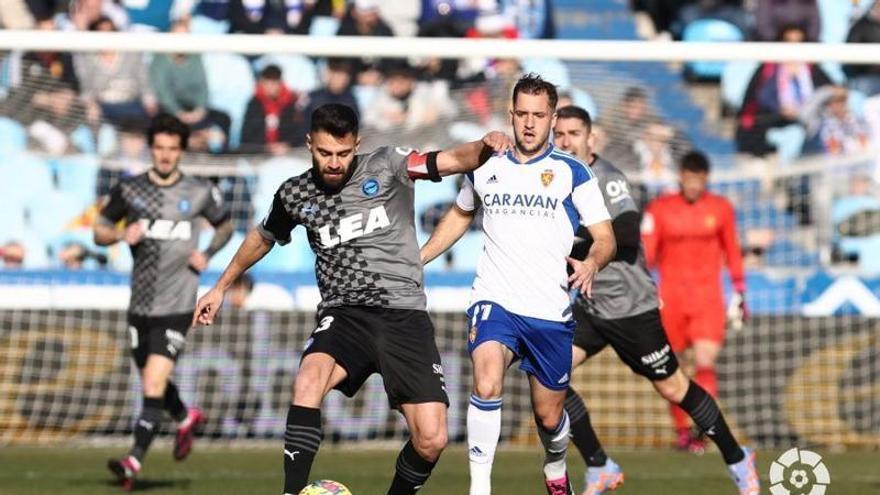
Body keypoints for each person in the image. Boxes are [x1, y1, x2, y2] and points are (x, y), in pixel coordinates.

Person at [193, 103, 512, 495]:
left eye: (343, 154)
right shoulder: (294, 194)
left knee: (432, 439)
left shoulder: (388, 165)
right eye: (325, 153)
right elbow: (262, 237)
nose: (334, 162)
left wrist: (484, 145)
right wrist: (221, 286)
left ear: (356, 145)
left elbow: (448, 161)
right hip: (345, 314)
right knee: (308, 380)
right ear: (310, 144)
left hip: (403, 315)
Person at [420, 75, 617, 495]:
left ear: (552, 118)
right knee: (486, 381)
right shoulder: (486, 162)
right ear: (510, 114)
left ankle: (555, 463)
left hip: (549, 310)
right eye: (522, 114)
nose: (529, 123)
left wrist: (592, 263)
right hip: (495, 298)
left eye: (539, 115)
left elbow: (606, 237)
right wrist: (419, 258)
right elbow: (460, 214)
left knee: (549, 418)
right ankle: (479, 488)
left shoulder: (573, 173)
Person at [553, 106, 760, 495]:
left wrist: (576, 241)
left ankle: (736, 456)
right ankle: (599, 465)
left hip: (630, 307)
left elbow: (629, 233)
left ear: (590, 138)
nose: (566, 142)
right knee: (547, 377)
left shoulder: (608, 179)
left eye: (574, 134)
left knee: (674, 388)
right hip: (588, 306)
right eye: (559, 134)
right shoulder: (551, 178)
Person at [94, 114, 235, 490]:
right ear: (151, 148)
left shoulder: (198, 190)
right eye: (160, 148)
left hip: (177, 303)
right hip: (140, 304)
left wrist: (208, 252)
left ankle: (132, 461)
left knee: (153, 382)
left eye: (173, 149)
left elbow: (226, 224)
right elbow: (99, 231)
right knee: (151, 380)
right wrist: (123, 232)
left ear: (181, 151)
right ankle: (185, 416)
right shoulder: (131, 190)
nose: (166, 155)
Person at [642, 150, 748, 454]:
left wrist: (740, 290)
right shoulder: (660, 209)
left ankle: (704, 427)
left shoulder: (721, 208)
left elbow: (732, 250)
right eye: (687, 180)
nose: (692, 186)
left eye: (697, 181)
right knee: (671, 369)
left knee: (705, 361)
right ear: (681, 177)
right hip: (670, 299)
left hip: (707, 299)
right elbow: (648, 254)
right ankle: (682, 432)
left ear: (705, 179)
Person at [241, 64, 303, 154]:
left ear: (280, 83)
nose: (270, 88)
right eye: (267, 83)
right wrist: (265, 148)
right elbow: (247, 137)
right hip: (259, 156)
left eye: (273, 83)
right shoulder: (254, 105)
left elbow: (298, 134)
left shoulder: (290, 104)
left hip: (287, 155)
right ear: (262, 83)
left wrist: (287, 145)